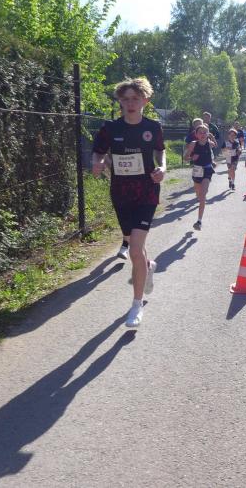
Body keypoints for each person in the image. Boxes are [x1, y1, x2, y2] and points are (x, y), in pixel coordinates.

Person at [91, 78, 165, 328]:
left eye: (135, 98)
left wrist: (163, 167)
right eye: (125, 99)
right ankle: (148, 266)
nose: (130, 103)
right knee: (134, 246)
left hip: (147, 192)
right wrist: (97, 163)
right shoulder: (110, 128)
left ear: (145, 100)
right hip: (121, 193)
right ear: (120, 102)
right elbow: (99, 151)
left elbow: (160, 151)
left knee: (134, 249)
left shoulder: (153, 127)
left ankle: (136, 305)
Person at [184, 124, 217, 230]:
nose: (203, 134)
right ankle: (201, 196)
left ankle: (199, 221)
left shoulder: (209, 143)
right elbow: (185, 158)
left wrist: (212, 137)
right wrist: (192, 158)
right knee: (199, 195)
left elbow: (215, 145)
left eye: (205, 132)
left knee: (202, 196)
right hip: (197, 171)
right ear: (196, 134)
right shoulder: (193, 144)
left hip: (207, 170)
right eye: (200, 132)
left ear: (207, 133)